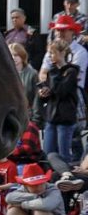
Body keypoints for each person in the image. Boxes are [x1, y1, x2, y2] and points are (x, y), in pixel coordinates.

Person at [33, 38, 80, 167]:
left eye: (53, 53)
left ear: (62, 53)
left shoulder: (71, 71)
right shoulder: (52, 73)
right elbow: (50, 93)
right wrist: (43, 93)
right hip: (51, 117)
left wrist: (52, 79)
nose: (50, 56)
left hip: (65, 118)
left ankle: (64, 178)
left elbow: (61, 91)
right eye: (49, 53)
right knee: (48, 153)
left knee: (63, 154)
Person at [10, 43, 38, 111]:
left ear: (22, 56)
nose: (13, 58)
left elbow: (36, 98)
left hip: (28, 114)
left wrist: (35, 118)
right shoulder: (5, 74)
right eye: (11, 55)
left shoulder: (32, 73)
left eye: (16, 55)